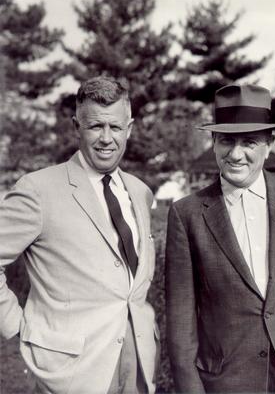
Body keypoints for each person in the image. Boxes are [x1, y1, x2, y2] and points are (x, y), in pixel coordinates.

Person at [0, 76, 159, 393]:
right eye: (95, 127)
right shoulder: (38, 190)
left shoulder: (140, 192)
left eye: (115, 127)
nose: (106, 138)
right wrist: (16, 326)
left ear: (129, 128)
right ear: (76, 127)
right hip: (69, 371)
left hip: (138, 363)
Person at [165, 84, 275, 393]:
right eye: (226, 140)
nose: (236, 154)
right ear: (213, 142)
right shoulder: (186, 215)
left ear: (269, 144)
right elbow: (181, 325)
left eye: (249, 142)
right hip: (227, 382)